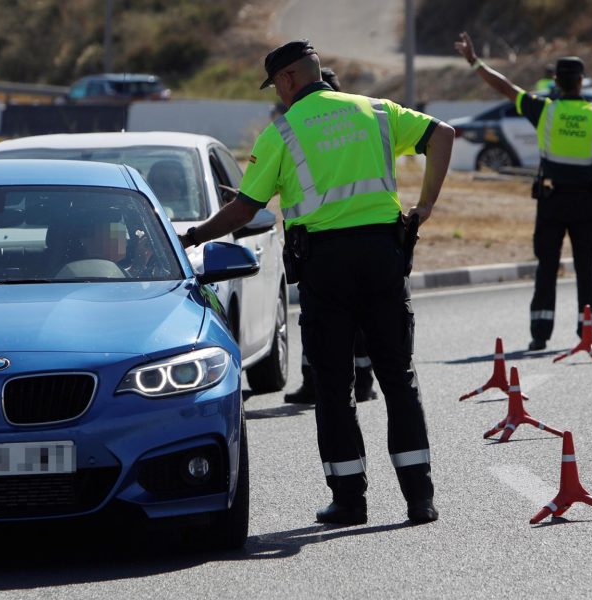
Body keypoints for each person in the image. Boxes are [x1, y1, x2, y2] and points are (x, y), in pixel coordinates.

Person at [179, 39, 454, 525]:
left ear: (287, 80)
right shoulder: (375, 109)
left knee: (333, 385)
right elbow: (443, 134)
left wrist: (196, 235)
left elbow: (246, 209)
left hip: (327, 266)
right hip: (383, 256)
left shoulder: (281, 132)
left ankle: (350, 501)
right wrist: (426, 205)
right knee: (398, 379)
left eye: (277, 86)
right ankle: (420, 500)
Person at [454, 32, 592, 350]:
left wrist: (474, 61)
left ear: (556, 82)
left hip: (552, 199)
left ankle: (540, 332)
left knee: (547, 265)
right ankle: (586, 328)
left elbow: (505, 87)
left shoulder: (545, 110)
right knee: (585, 266)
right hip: (587, 199)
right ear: (582, 82)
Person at [284, 65, 377, 406]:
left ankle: (325, 384)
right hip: (368, 240)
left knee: (322, 324)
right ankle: (361, 383)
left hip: (320, 245)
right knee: (359, 324)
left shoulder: (300, 130)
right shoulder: (362, 121)